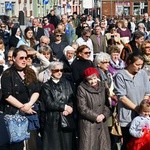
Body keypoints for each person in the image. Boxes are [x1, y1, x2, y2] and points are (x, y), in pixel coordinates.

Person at [0, 47, 40, 150]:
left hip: (31, 111)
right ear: (13, 58)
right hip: (14, 114)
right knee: (17, 144)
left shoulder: (30, 72)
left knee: (32, 144)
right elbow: (7, 95)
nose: (24, 60)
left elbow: (36, 90)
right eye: (21, 58)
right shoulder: (7, 74)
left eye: (26, 58)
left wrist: (29, 104)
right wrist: (22, 107)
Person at [114, 52, 150, 150]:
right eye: (137, 64)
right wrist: (137, 108)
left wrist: (143, 107)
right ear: (129, 62)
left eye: (141, 65)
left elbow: (147, 92)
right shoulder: (120, 75)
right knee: (128, 143)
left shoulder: (142, 73)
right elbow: (121, 96)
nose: (139, 67)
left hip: (142, 115)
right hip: (127, 116)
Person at [40, 61, 74, 150]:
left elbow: (71, 98)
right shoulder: (46, 86)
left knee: (67, 145)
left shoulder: (66, 83)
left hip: (66, 119)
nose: (59, 72)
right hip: (52, 120)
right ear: (51, 71)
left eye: (61, 70)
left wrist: (69, 109)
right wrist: (64, 107)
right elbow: (49, 103)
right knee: (54, 146)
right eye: (56, 70)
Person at [77, 67, 111, 150]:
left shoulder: (102, 87)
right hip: (88, 124)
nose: (93, 81)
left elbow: (107, 104)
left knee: (103, 145)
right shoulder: (81, 88)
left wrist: (104, 115)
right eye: (90, 79)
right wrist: (96, 116)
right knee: (89, 146)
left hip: (102, 122)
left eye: (94, 78)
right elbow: (82, 107)